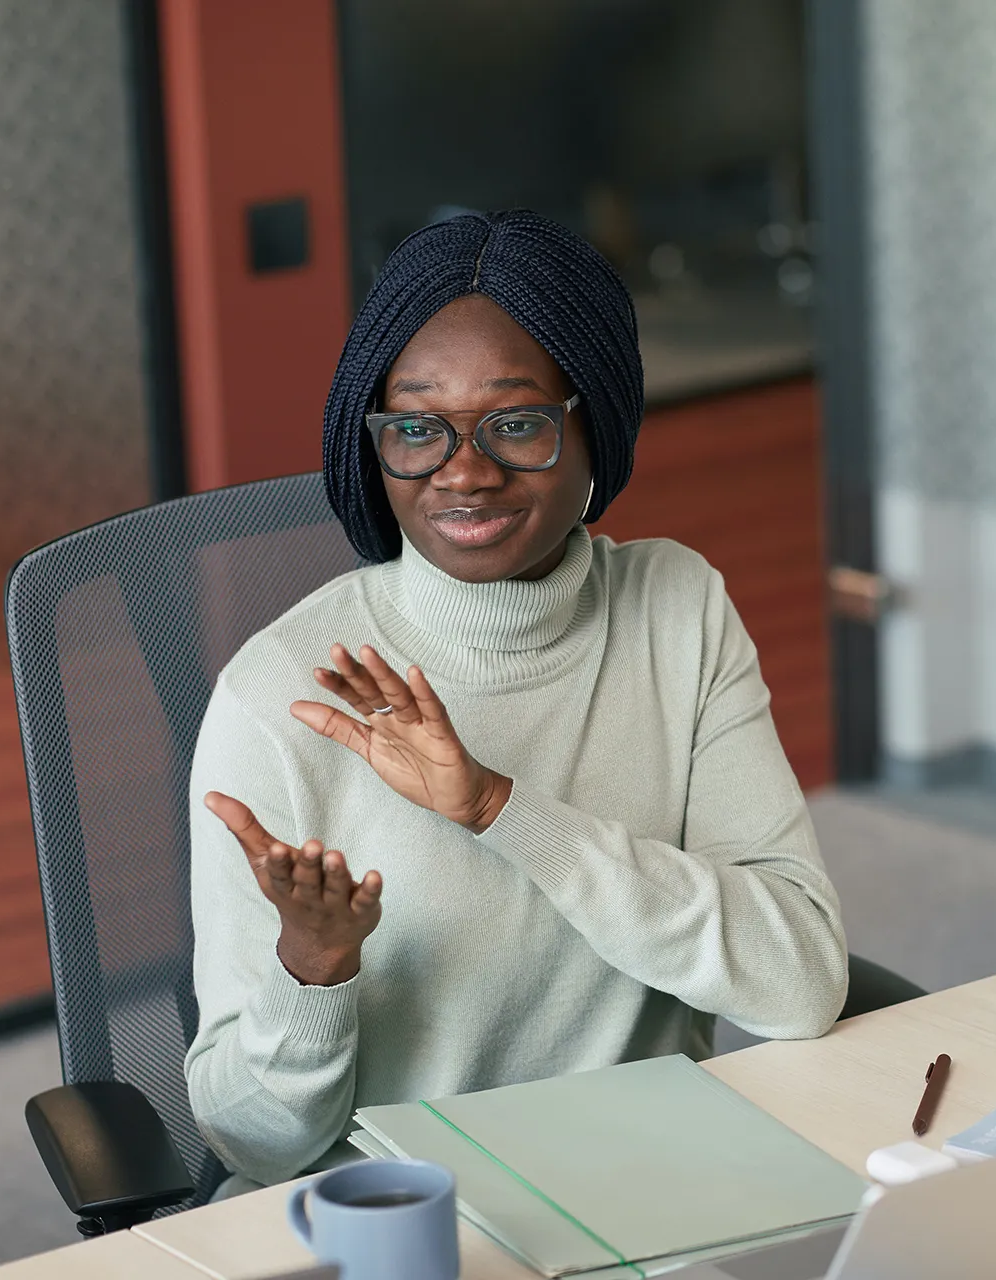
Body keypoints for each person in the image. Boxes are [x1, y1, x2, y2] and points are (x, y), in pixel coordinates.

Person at [185, 211, 847, 1187]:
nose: (464, 469)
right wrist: (311, 969)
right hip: (400, 1215)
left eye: (518, 422)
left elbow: (800, 984)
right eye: (418, 428)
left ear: (595, 425)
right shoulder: (279, 694)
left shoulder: (675, 606)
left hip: (642, 1189)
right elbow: (251, 1145)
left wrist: (503, 810)